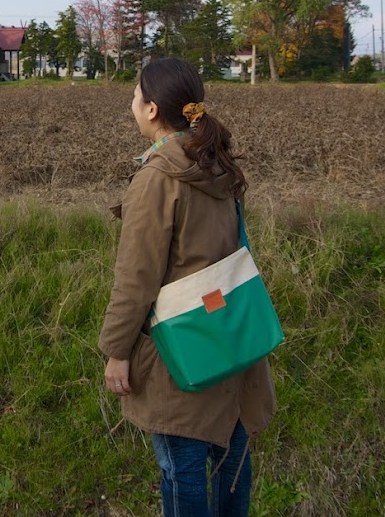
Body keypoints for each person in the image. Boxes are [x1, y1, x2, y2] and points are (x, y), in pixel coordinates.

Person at [99, 58, 275, 517]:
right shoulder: (216, 163)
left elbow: (136, 278)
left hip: (181, 347)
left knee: (183, 471)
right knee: (232, 461)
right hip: (230, 334)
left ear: (153, 109)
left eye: (136, 96)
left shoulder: (158, 178)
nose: (131, 103)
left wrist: (117, 350)